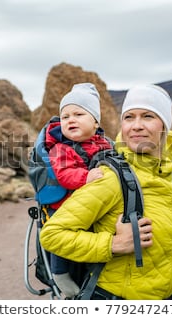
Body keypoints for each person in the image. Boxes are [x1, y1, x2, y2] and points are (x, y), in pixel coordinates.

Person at [40, 84, 172, 299]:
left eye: (147, 116)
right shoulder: (113, 178)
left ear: (165, 124)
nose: (136, 126)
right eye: (128, 117)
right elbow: (52, 235)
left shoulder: (167, 175)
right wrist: (114, 244)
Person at [44, 82, 113, 298]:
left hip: (91, 205)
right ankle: (60, 274)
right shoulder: (60, 148)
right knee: (60, 236)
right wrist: (87, 177)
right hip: (64, 205)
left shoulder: (105, 144)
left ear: (95, 122)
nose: (71, 120)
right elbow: (65, 175)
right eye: (65, 117)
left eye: (78, 114)